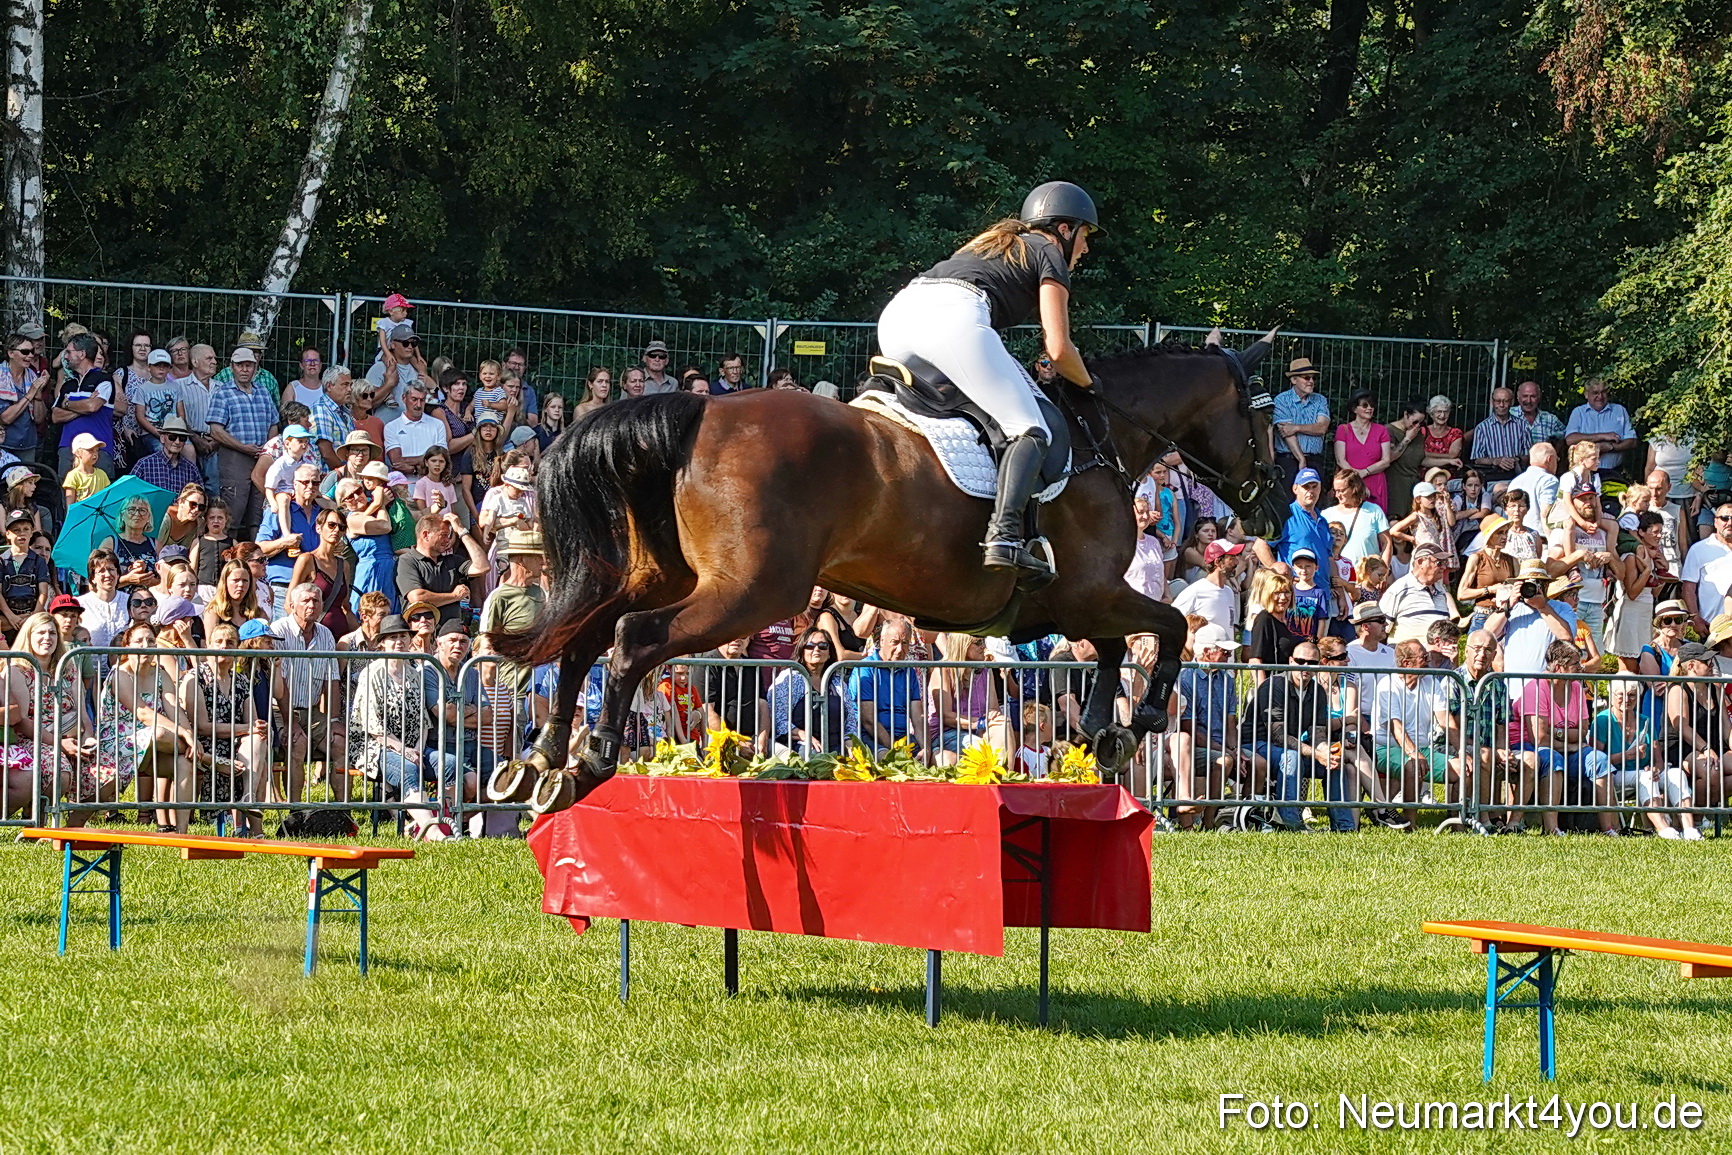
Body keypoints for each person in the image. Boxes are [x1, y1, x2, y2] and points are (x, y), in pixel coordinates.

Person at [876, 181, 1100, 576]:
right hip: (953, 319)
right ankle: (1005, 536)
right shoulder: (1050, 252)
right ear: (1065, 229)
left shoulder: (993, 246)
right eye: (1085, 235)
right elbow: (1060, 350)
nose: (1086, 247)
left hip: (897, 318)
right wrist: (1090, 385)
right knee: (1030, 429)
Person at [351, 614, 468, 841]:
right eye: (393, 637)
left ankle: (435, 823)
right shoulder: (372, 673)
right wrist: (403, 750)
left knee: (451, 764)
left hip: (412, 745)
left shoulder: (413, 673)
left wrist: (416, 748)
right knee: (409, 769)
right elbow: (372, 726)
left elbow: (423, 720)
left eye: (403, 636)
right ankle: (433, 833)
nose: (399, 642)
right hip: (375, 747)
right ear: (382, 643)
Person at [1244, 640, 1356, 832]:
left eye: (1311, 663)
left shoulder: (1318, 691)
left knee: (1334, 761)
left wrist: (1324, 751)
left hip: (1289, 746)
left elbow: (1318, 733)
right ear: (1290, 661)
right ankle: (1290, 823)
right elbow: (1277, 735)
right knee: (1292, 757)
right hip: (1256, 743)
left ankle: (1344, 827)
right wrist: (1314, 753)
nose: (1305, 667)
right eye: (1300, 661)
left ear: (1318, 665)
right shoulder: (1274, 685)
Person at [1510, 639, 1613, 836]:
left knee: (1600, 760)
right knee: (1553, 759)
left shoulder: (1576, 688)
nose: (1580, 668)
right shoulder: (1536, 688)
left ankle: (1609, 828)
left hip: (1566, 747)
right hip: (1528, 747)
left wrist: (1556, 733)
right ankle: (1552, 828)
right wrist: (1570, 742)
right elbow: (1539, 738)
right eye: (1576, 663)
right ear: (1559, 667)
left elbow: (1583, 730)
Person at [177, 620, 271, 835]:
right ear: (208, 646)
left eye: (230, 642)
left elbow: (253, 722)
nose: (223, 646)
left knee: (257, 743)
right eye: (218, 641)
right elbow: (201, 727)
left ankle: (249, 803)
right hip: (202, 745)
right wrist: (248, 728)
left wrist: (258, 728)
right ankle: (247, 825)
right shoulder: (196, 677)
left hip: (237, 742)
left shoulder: (241, 680)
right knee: (252, 750)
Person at [269, 582, 347, 803]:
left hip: (311, 712)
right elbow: (279, 683)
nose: (311, 605)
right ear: (292, 605)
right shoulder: (279, 631)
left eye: (315, 600)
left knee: (341, 743)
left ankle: (343, 810)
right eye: (305, 600)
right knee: (297, 743)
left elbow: (331, 680)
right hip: (278, 711)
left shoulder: (326, 635)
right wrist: (289, 721)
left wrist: (332, 719)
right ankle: (295, 810)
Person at [1593, 679, 1698, 840]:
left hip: (1644, 772)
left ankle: (1689, 828)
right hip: (1615, 774)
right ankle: (1663, 828)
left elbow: (1658, 760)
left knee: (1676, 773)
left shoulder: (1644, 721)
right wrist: (1626, 755)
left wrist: (1656, 769)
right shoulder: (1602, 720)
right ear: (1612, 696)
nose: (1627, 699)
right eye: (1621, 695)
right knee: (1645, 776)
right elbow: (1597, 760)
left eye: (1632, 695)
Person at [1369, 640, 1455, 829]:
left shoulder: (1430, 681)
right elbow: (1396, 728)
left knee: (1462, 768)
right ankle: (1410, 825)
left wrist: (1464, 750)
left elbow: (1446, 721)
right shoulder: (1387, 685)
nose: (1429, 660)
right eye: (1424, 657)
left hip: (1423, 747)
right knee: (1413, 766)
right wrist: (1414, 753)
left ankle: (1458, 824)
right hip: (1385, 748)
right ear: (1407, 663)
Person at [207, 345, 279, 538]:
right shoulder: (223, 392)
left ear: (255, 367)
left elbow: (274, 423)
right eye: (240, 365)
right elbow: (215, 430)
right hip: (234, 458)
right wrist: (242, 447)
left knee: (259, 511)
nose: (245, 369)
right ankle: (227, 557)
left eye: (249, 365)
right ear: (232, 367)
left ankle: (256, 556)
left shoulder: (263, 391)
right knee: (233, 511)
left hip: (262, 458)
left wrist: (268, 449)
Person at [1663, 642, 1732, 813]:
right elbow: (1682, 727)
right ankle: (1700, 818)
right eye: (1706, 661)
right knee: (1711, 769)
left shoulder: (1715, 689)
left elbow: (1726, 727)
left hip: (1714, 746)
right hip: (1682, 748)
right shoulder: (1678, 689)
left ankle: (1707, 809)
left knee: (1713, 767)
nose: (1711, 664)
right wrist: (1706, 748)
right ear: (1692, 666)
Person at [766, 627, 858, 755]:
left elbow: (850, 722)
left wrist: (851, 745)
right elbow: (778, 718)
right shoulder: (790, 678)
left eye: (823, 646)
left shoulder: (837, 682)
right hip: (800, 745)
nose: (816, 650)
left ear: (830, 652)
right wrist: (803, 735)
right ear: (802, 650)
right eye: (810, 646)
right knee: (814, 757)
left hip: (836, 744)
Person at [1546, 481, 1618, 643]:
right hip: (1571, 603)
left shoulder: (1605, 531)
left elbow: (1621, 573)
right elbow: (1550, 570)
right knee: (1571, 651)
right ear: (1572, 502)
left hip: (1597, 602)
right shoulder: (1562, 531)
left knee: (1595, 655)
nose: (1588, 503)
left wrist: (1611, 557)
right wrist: (1578, 555)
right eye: (1582, 499)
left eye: (1591, 498)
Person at [398, 510, 490, 628]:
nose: (448, 540)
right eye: (443, 535)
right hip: (423, 632)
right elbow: (417, 598)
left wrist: (462, 531)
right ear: (426, 535)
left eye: (449, 535)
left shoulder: (452, 560)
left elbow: (482, 566)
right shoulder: (407, 561)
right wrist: (454, 596)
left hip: (451, 635)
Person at [925, 633, 1002, 766]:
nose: (983, 646)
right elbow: (947, 717)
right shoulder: (943, 671)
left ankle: (1004, 779)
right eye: (978, 642)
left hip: (978, 728)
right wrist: (980, 723)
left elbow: (994, 708)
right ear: (963, 646)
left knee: (1003, 725)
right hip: (946, 733)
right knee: (982, 751)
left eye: (983, 641)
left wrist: (993, 717)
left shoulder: (985, 671)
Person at [849, 618, 923, 756]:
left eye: (905, 643)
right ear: (882, 641)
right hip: (869, 737)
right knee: (884, 758)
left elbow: (918, 719)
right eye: (895, 642)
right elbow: (868, 721)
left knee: (941, 760)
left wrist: (926, 750)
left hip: (903, 738)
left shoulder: (909, 671)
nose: (900, 649)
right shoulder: (865, 668)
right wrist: (895, 752)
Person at [1253, 467, 1335, 591]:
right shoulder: (1286, 515)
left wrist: (1338, 589)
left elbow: (1329, 558)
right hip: (1296, 592)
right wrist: (1275, 568)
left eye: (1314, 486)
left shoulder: (1322, 521)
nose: (1311, 491)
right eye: (1306, 487)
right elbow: (1259, 546)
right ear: (1295, 489)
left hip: (1323, 593)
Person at [51, 333, 117, 477]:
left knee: (98, 498)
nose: (66, 357)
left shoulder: (104, 379)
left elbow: (92, 407)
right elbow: (55, 416)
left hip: (98, 449)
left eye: (69, 352)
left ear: (82, 354)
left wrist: (67, 403)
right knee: (67, 498)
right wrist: (84, 407)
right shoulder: (68, 385)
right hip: (68, 448)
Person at [339, 472, 398, 613]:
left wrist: (437, 507)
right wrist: (382, 505)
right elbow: (384, 526)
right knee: (371, 611)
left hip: (391, 567)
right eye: (349, 497)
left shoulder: (374, 511)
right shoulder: (352, 519)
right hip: (371, 569)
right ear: (344, 503)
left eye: (358, 491)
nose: (356, 497)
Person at [1269, 357, 1330, 486]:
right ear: (1293, 380)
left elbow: (1322, 428)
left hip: (1315, 460)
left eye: (1314, 378)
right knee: (1288, 503)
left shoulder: (1320, 400)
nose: (1311, 381)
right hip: (1288, 461)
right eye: (1306, 378)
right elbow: (1287, 433)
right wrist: (1301, 459)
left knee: (1315, 502)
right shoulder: (1281, 400)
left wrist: (1296, 427)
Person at [1565, 379, 1637, 481]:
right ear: (1586, 395)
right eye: (1595, 393)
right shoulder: (1578, 412)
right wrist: (1602, 436)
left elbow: (1632, 441)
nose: (1600, 396)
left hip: (1614, 473)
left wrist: (1610, 447)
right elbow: (1570, 439)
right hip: (1584, 474)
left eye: (1603, 392)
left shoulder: (1619, 410)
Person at [1332, 390, 1392, 510]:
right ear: (1355, 409)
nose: (1369, 408)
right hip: (1350, 483)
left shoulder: (1381, 430)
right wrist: (1356, 480)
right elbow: (1340, 460)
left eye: (1372, 405)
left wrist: (1364, 472)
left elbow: (1386, 460)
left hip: (1376, 482)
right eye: (1365, 405)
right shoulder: (1343, 430)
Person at [1681, 495, 1732, 634]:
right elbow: (1688, 588)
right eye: (1724, 518)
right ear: (1715, 522)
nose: (1729, 522)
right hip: (1713, 626)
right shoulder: (1699, 549)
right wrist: (1695, 618)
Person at [1170, 540, 1244, 634]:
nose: (1237, 562)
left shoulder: (1229, 592)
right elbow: (1172, 620)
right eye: (1232, 558)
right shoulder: (1195, 591)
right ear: (1218, 562)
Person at [1322, 470, 1390, 566]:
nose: (1337, 495)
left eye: (1341, 490)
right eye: (1335, 491)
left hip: (1367, 576)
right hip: (1338, 575)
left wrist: (1384, 572)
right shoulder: (1326, 514)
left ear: (1354, 488)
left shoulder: (1374, 510)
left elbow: (1386, 543)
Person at [0, 508, 50, 634]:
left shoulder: (39, 561)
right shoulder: (1, 560)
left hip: (31, 615)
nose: (21, 533)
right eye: (16, 530)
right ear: (7, 534)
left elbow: (43, 592)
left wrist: (33, 615)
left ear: (32, 532)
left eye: (26, 529)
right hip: (6, 617)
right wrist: (11, 616)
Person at [1469, 386, 1530, 485]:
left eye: (1506, 401)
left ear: (1512, 402)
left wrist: (1516, 459)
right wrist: (1495, 461)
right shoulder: (1482, 428)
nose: (1502, 405)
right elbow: (1477, 459)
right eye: (1498, 401)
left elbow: (1528, 455)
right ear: (1492, 402)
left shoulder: (1522, 425)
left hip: (1516, 477)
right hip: (1491, 478)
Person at [383, 383, 447, 475]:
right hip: (402, 487)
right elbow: (397, 462)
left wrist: (411, 468)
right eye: (414, 399)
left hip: (432, 486)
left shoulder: (438, 425)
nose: (418, 405)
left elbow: (441, 458)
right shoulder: (391, 427)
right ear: (404, 398)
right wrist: (428, 459)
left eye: (422, 400)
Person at [0, 330, 47, 455]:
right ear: (10, 353)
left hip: (28, 444)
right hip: (4, 445)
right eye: (25, 352)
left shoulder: (32, 377)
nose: (30, 355)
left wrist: (38, 395)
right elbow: (6, 418)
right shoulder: (1, 377)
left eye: (32, 351)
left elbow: (39, 419)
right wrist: (30, 393)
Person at [1382, 397, 1428, 521]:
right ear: (1406, 415)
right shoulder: (1389, 430)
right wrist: (1407, 439)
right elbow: (1389, 457)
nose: (1417, 426)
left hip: (1413, 482)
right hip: (1395, 484)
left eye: (1421, 423)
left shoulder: (1417, 433)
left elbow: (1420, 459)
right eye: (1415, 422)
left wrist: (1449, 460)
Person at [1244, 569, 1299, 666]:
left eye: (1287, 592)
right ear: (1268, 595)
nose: (1283, 597)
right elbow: (1255, 660)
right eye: (1277, 592)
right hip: (1271, 679)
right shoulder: (1264, 619)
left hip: (1286, 679)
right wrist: (1262, 682)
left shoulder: (1289, 620)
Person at [1507, 442, 1559, 533]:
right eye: (1557, 459)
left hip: (1517, 535)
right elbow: (1547, 513)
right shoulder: (1549, 480)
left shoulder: (1515, 481)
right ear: (1549, 459)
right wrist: (1552, 542)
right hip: (1540, 537)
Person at [61, 431, 110, 507]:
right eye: (91, 450)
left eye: (97, 450)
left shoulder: (102, 474)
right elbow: (70, 505)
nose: (95, 454)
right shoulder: (73, 476)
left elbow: (107, 499)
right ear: (78, 453)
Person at [1514, 380, 1567, 448]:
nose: (1529, 400)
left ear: (1539, 398)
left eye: (1533, 396)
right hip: (1514, 458)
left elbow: (1566, 437)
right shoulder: (1508, 415)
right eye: (1525, 396)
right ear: (1518, 397)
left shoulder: (1550, 419)